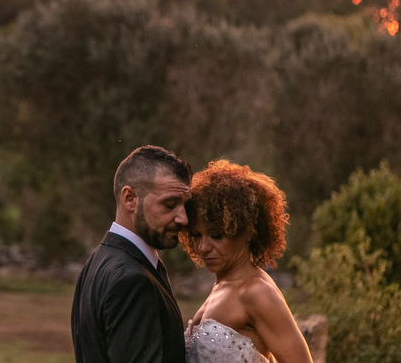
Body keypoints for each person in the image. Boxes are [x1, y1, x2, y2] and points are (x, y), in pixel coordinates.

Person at [178, 160, 312, 363]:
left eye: (216, 235)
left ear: (246, 232)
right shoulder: (222, 285)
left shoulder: (257, 292)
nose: (203, 247)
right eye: (196, 235)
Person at [72, 145, 193, 363]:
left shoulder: (98, 261)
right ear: (130, 199)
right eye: (170, 204)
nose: (183, 218)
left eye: (185, 206)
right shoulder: (133, 280)